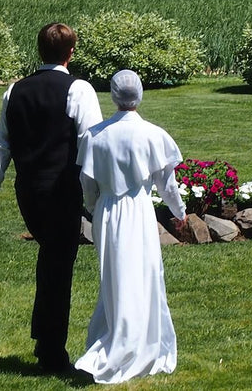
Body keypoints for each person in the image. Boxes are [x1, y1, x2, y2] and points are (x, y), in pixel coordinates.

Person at [0, 23, 103, 373]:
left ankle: (45, 341)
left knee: (51, 262)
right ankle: (51, 351)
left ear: (39, 50)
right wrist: (94, 198)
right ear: (71, 52)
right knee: (58, 267)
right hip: (62, 190)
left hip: (28, 191)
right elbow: (91, 143)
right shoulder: (79, 89)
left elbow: (1, 144)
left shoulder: (15, 90)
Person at [74, 69, 187, 384]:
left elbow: (88, 186)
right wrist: (180, 211)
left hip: (108, 213)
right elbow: (167, 184)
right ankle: (132, 340)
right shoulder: (153, 134)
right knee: (143, 273)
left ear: (113, 95)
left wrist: (98, 210)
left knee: (114, 277)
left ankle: (117, 335)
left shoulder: (96, 135)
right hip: (138, 210)